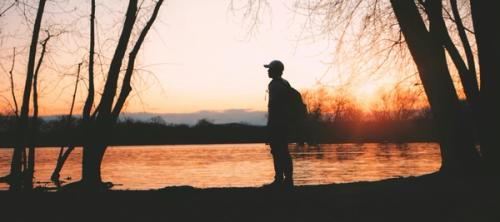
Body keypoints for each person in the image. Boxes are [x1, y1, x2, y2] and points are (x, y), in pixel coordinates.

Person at [263, 60, 294, 189]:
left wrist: (270, 126)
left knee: (277, 151)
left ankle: (279, 180)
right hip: (285, 123)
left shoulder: (274, 85)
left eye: (270, 69)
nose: (268, 71)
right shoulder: (285, 83)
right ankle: (287, 180)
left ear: (276, 70)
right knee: (284, 151)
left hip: (278, 123)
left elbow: (274, 106)